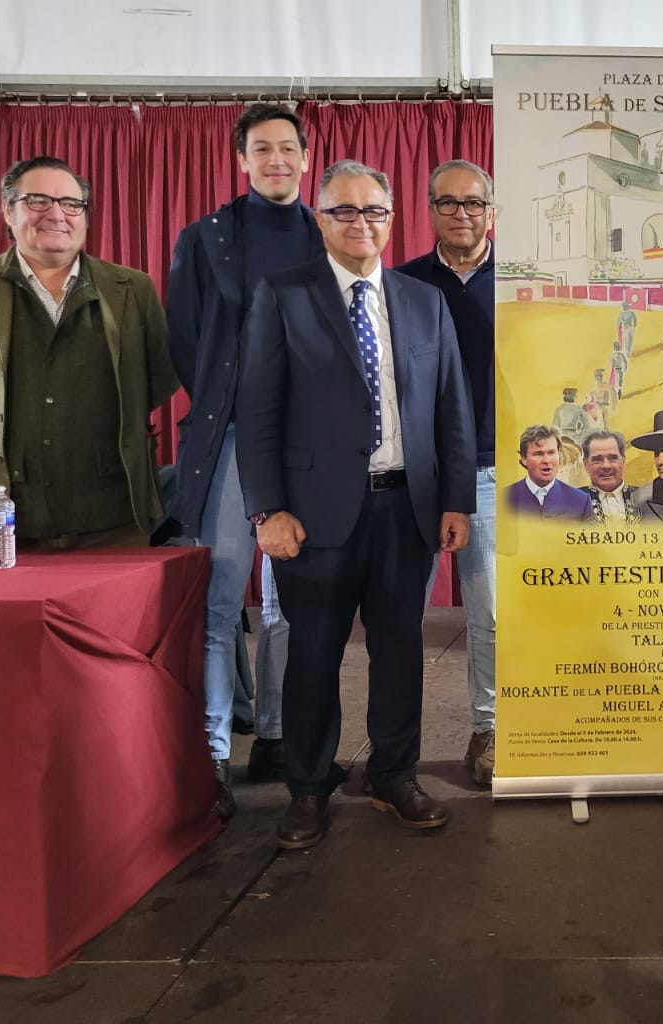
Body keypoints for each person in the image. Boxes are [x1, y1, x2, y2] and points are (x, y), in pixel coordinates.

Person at [237, 160, 474, 851]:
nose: (361, 224)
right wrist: (266, 510)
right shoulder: (283, 296)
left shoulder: (422, 301)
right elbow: (257, 414)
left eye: (374, 211)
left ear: (393, 220)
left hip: (407, 512)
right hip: (313, 518)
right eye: (344, 211)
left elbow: (451, 409)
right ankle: (308, 790)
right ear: (320, 219)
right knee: (313, 655)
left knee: (400, 652)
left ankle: (392, 775)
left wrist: (455, 498)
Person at [167, 104, 324, 815]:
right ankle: (211, 756)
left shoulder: (330, 235)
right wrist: (237, 409)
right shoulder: (205, 239)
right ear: (241, 160)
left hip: (309, 445)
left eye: (287, 148)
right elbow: (185, 339)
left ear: (305, 155)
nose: (276, 160)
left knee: (291, 601)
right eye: (262, 149)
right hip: (232, 437)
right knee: (223, 598)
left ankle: (278, 739)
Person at [0, 156, 177, 552]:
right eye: (38, 201)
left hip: (113, 514)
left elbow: (162, 374)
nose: (57, 214)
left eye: (71, 203)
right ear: (7, 211)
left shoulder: (133, 289)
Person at [397, 158, 500, 786]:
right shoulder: (402, 285)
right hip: (412, 470)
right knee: (396, 612)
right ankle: (394, 749)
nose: (461, 213)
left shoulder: (523, 283)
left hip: (490, 466)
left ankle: (489, 729)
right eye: (447, 202)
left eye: (473, 202)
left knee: (488, 611)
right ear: (428, 208)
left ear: (492, 211)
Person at [506, 424, 592, 520]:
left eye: (551, 453)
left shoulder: (581, 502)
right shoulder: (504, 498)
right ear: (524, 459)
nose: (546, 460)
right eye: (538, 454)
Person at [580, 430, 639, 524]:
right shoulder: (572, 502)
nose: (606, 466)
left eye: (612, 458)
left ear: (623, 461)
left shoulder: (645, 500)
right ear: (586, 464)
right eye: (597, 459)